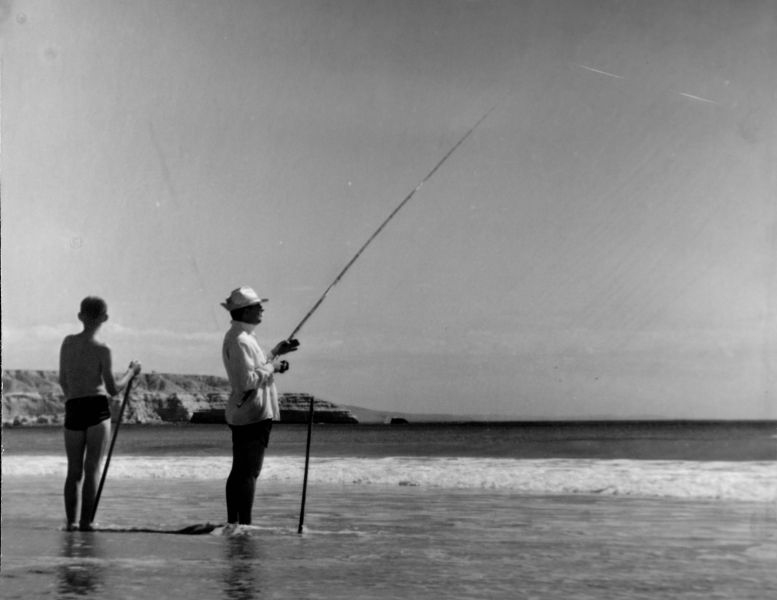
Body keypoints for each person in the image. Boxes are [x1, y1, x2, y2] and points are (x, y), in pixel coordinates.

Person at [59, 296, 141, 531]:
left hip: (73, 406)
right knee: (92, 468)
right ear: (104, 318)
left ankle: (71, 523)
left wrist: (72, 398)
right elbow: (113, 389)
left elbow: (62, 379)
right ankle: (87, 522)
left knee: (73, 470)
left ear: (80, 316)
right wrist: (131, 372)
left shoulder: (67, 342)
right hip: (96, 407)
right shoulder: (103, 349)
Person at [220, 286, 299, 525]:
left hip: (250, 412)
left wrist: (276, 353)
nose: (261, 309)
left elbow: (255, 370)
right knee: (248, 473)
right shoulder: (239, 340)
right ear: (244, 312)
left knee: (242, 472)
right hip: (251, 413)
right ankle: (242, 525)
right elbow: (246, 381)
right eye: (257, 306)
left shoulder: (244, 337)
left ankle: (236, 523)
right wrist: (273, 367)